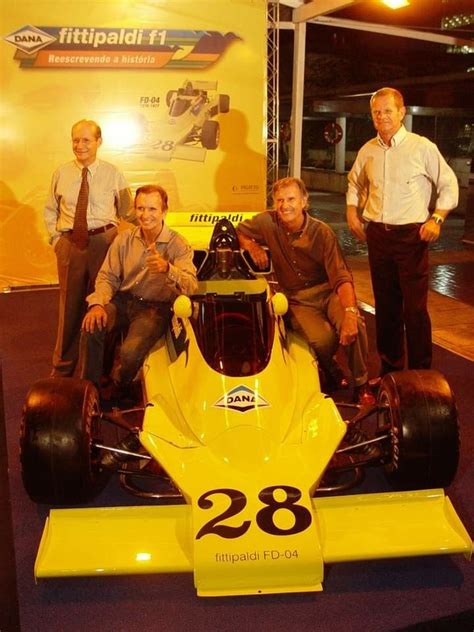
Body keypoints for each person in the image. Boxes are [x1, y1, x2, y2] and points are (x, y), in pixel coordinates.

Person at [346, 87, 459, 376]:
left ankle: (421, 374)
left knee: (415, 310)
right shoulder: (368, 150)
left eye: (387, 110)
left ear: (402, 112)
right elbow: (355, 183)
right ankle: (391, 372)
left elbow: (449, 184)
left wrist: (437, 219)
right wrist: (351, 211)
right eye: (376, 112)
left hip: (411, 236)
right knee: (386, 308)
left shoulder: (421, 147)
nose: (382, 116)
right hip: (378, 237)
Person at [237, 176, 375, 405]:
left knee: (355, 325)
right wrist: (251, 245)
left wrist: (350, 311)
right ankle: (331, 369)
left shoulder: (322, 232)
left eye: (291, 199)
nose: (285, 205)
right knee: (322, 339)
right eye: (279, 200)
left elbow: (341, 276)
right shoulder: (266, 223)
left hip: (327, 292)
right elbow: (239, 230)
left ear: (304, 202)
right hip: (298, 299)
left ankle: (361, 384)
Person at [80, 184, 197, 399]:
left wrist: (167, 269)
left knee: (130, 353)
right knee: (91, 325)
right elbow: (107, 277)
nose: (145, 215)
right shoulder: (124, 239)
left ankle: (121, 382)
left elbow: (191, 285)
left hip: (155, 308)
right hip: (123, 300)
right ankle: (90, 390)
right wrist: (97, 304)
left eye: (152, 209)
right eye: (141, 208)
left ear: (164, 211)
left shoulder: (178, 244)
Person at [44, 119, 134, 377]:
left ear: (99, 142)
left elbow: (128, 210)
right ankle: (62, 369)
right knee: (70, 308)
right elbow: (50, 210)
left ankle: (98, 370)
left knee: (103, 305)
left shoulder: (113, 173)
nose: (79, 145)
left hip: (104, 244)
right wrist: (55, 240)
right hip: (70, 245)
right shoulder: (61, 173)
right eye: (75, 140)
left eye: (86, 140)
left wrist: (159, 227)